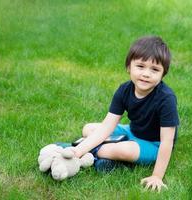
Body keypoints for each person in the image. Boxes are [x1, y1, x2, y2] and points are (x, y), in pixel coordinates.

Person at [72, 36, 179, 192]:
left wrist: (157, 176)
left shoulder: (166, 99)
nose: (146, 74)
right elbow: (107, 126)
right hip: (132, 131)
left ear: (163, 74)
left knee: (119, 150)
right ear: (129, 67)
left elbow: (167, 142)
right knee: (88, 129)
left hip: (154, 144)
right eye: (140, 66)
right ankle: (97, 155)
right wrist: (78, 151)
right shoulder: (124, 90)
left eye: (154, 69)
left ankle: (102, 155)